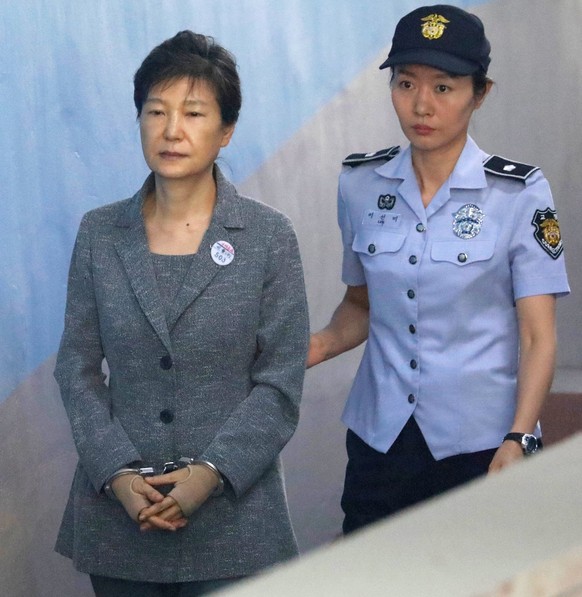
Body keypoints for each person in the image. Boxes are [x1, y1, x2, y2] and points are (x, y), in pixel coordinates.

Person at [54, 30, 309, 595]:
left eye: (193, 113)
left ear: (226, 131)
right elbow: (76, 367)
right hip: (122, 520)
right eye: (156, 111)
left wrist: (212, 474)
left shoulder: (268, 237)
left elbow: (280, 382)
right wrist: (116, 471)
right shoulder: (100, 233)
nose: (172, 130)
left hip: (235, 525)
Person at [308, 4, 569, 535]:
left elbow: (538, 338)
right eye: (406, 84)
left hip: (481, 444)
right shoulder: (359, 185)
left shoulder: (518, 193)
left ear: (481, 92)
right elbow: (360, 306)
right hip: (380, 441)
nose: (421, 104)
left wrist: (519, 439)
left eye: (444, 87)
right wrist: (302, 351)